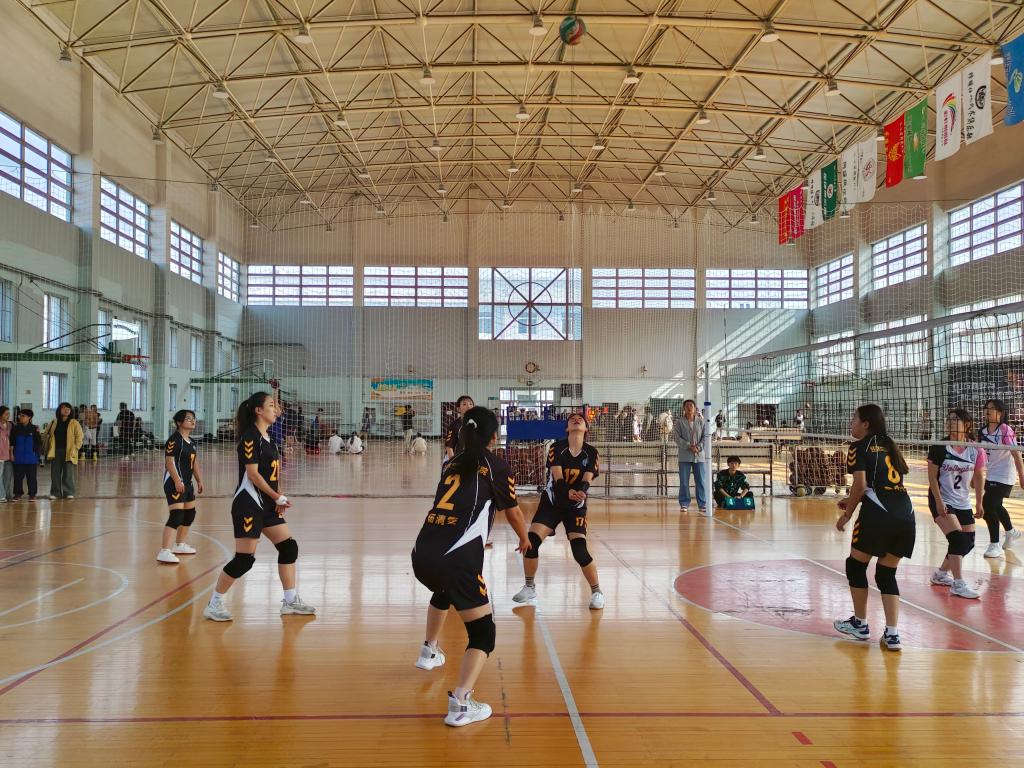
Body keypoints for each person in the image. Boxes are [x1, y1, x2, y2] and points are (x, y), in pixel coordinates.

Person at [411, 406, 530, 727]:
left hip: (422, 553)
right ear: (494, 437)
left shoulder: (451, 464)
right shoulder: (496, 466)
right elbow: (513, 512)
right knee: (483, 633)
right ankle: (462, 704)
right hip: (455, 559)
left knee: (444, 590)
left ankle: (429, 651)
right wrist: (524, 538)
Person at [203, 392, 315, 621]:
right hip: (249, 504)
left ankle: (290, 601)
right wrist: (275, 496)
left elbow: (272, 475)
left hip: (268, 505)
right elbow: (253, 475)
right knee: (244, 560)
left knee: (289, 548)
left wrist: (279, 497)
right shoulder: (250, 437)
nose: (276, 409)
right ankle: (214, 604)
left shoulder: (269, 438)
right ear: (258, 411)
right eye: (271, 405)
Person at [834, 404, 915, 652]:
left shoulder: (858, 447)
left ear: (866, 424)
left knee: (855, 566)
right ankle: (892, 634)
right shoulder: (890, 444)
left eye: (854, 418)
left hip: (878, 514)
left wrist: (847, 514)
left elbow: (860, 485)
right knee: (886, 574)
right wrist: (852, 499)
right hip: (905, 514)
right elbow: (879, 484)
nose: (851, 423)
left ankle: (860, 624)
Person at [512, 413, 604, 609]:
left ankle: (597, 592)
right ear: (567, 428)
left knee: (580, 551)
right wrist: (568, 491)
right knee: (531, 543)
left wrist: (581, 492)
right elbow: (558, 478)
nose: (576, 420)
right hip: (552, 503)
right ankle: (529, 587)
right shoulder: (556, 448)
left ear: (586, 428)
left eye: (581, 419)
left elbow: (587, 479)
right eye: (572, 419)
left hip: (575, 508)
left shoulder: (592, 452)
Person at [927, 409, 984, 599]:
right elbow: (932, 478)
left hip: (963, 501)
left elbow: (978, 476)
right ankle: (958, 584)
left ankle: (941, 574)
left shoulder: (975, 449)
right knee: (958, 540)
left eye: (955, 420)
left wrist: (979, 502)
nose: (950, 422)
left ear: (966, 425)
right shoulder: (940, 447)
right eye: (949, 419)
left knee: (968, 543)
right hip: (942, 498)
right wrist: (938, 502)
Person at [977, 398, 1024, 558]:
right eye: (986, 407)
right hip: (991, 473)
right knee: (996, 505)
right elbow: (980, 455)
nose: (987, 410)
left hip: (1005, 474)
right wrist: (975, 476)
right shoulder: (982, 431)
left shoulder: (1005, 430)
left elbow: (1016, 455)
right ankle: (1011, 532)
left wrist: (1022, 476)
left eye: (992, 408)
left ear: (1000, 412)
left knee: (987, 505)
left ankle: (995, 544)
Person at [157, 409, 205, 564]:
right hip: (174, 482)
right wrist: (177, 480)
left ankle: (180, 545)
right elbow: (169, 462)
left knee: (189, 514)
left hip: (188, 483)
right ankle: (164, 551)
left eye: (193, 418)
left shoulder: (191, 442)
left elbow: (194, 462)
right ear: (179, 422)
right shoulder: (174, 440)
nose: (193, 421)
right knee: (176, 515)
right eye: (188, 418)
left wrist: (199, 480)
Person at [42, 403, 83, 500]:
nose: (66, 410)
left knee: (68, 474)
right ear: (59, 410)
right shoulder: (54, 422)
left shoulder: (74, 423)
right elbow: (45, 434)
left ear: (71, 411)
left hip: (69, 452)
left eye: (68, 408)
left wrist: (76, 448)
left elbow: (79, 437)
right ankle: (55, 493)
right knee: (55, 473)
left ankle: (68, 492)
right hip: (55, 451)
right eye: (64, 408)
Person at [672, 400, 707, 513]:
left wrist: (698, 447)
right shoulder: (679, 422)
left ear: (695, 408)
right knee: (684, 482)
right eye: (686, 406)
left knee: (701, 481)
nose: (689, 408)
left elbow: (705, 437)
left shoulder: (701, 422)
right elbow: (677, 437)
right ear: (684, 408)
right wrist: (688, 446)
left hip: (699, 456)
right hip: (684, 456)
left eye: (691, 406)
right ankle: (684, 503)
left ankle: (702, 504)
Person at [12, 409, 42, 500]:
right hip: (18, 457)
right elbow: (12, 442)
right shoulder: (15, 428)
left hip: (31, 458)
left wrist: (35, 453)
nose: (20, 417)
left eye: (23, 416)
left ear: (29, 417)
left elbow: (38, 442)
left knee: (31, 477)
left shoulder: (34, 429)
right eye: (20, 415)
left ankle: (32, 494)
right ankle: (17, 493)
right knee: (18, 477)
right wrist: (12, 454)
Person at [445, 396, 474, 462]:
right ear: (458, 409)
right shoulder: (454, 425)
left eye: (471, 404)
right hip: (454, 458)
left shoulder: (476, 425)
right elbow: (449, 446)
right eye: (464, 404)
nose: (468, 406)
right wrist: (453, 462)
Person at [0, 406, 11, 502]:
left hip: (8, 455)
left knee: (7, 477)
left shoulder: (10, 425)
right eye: (6, 414)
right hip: (0, 455)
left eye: (9, 414)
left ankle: (6, 494)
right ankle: (1, 496)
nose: (8, 415)